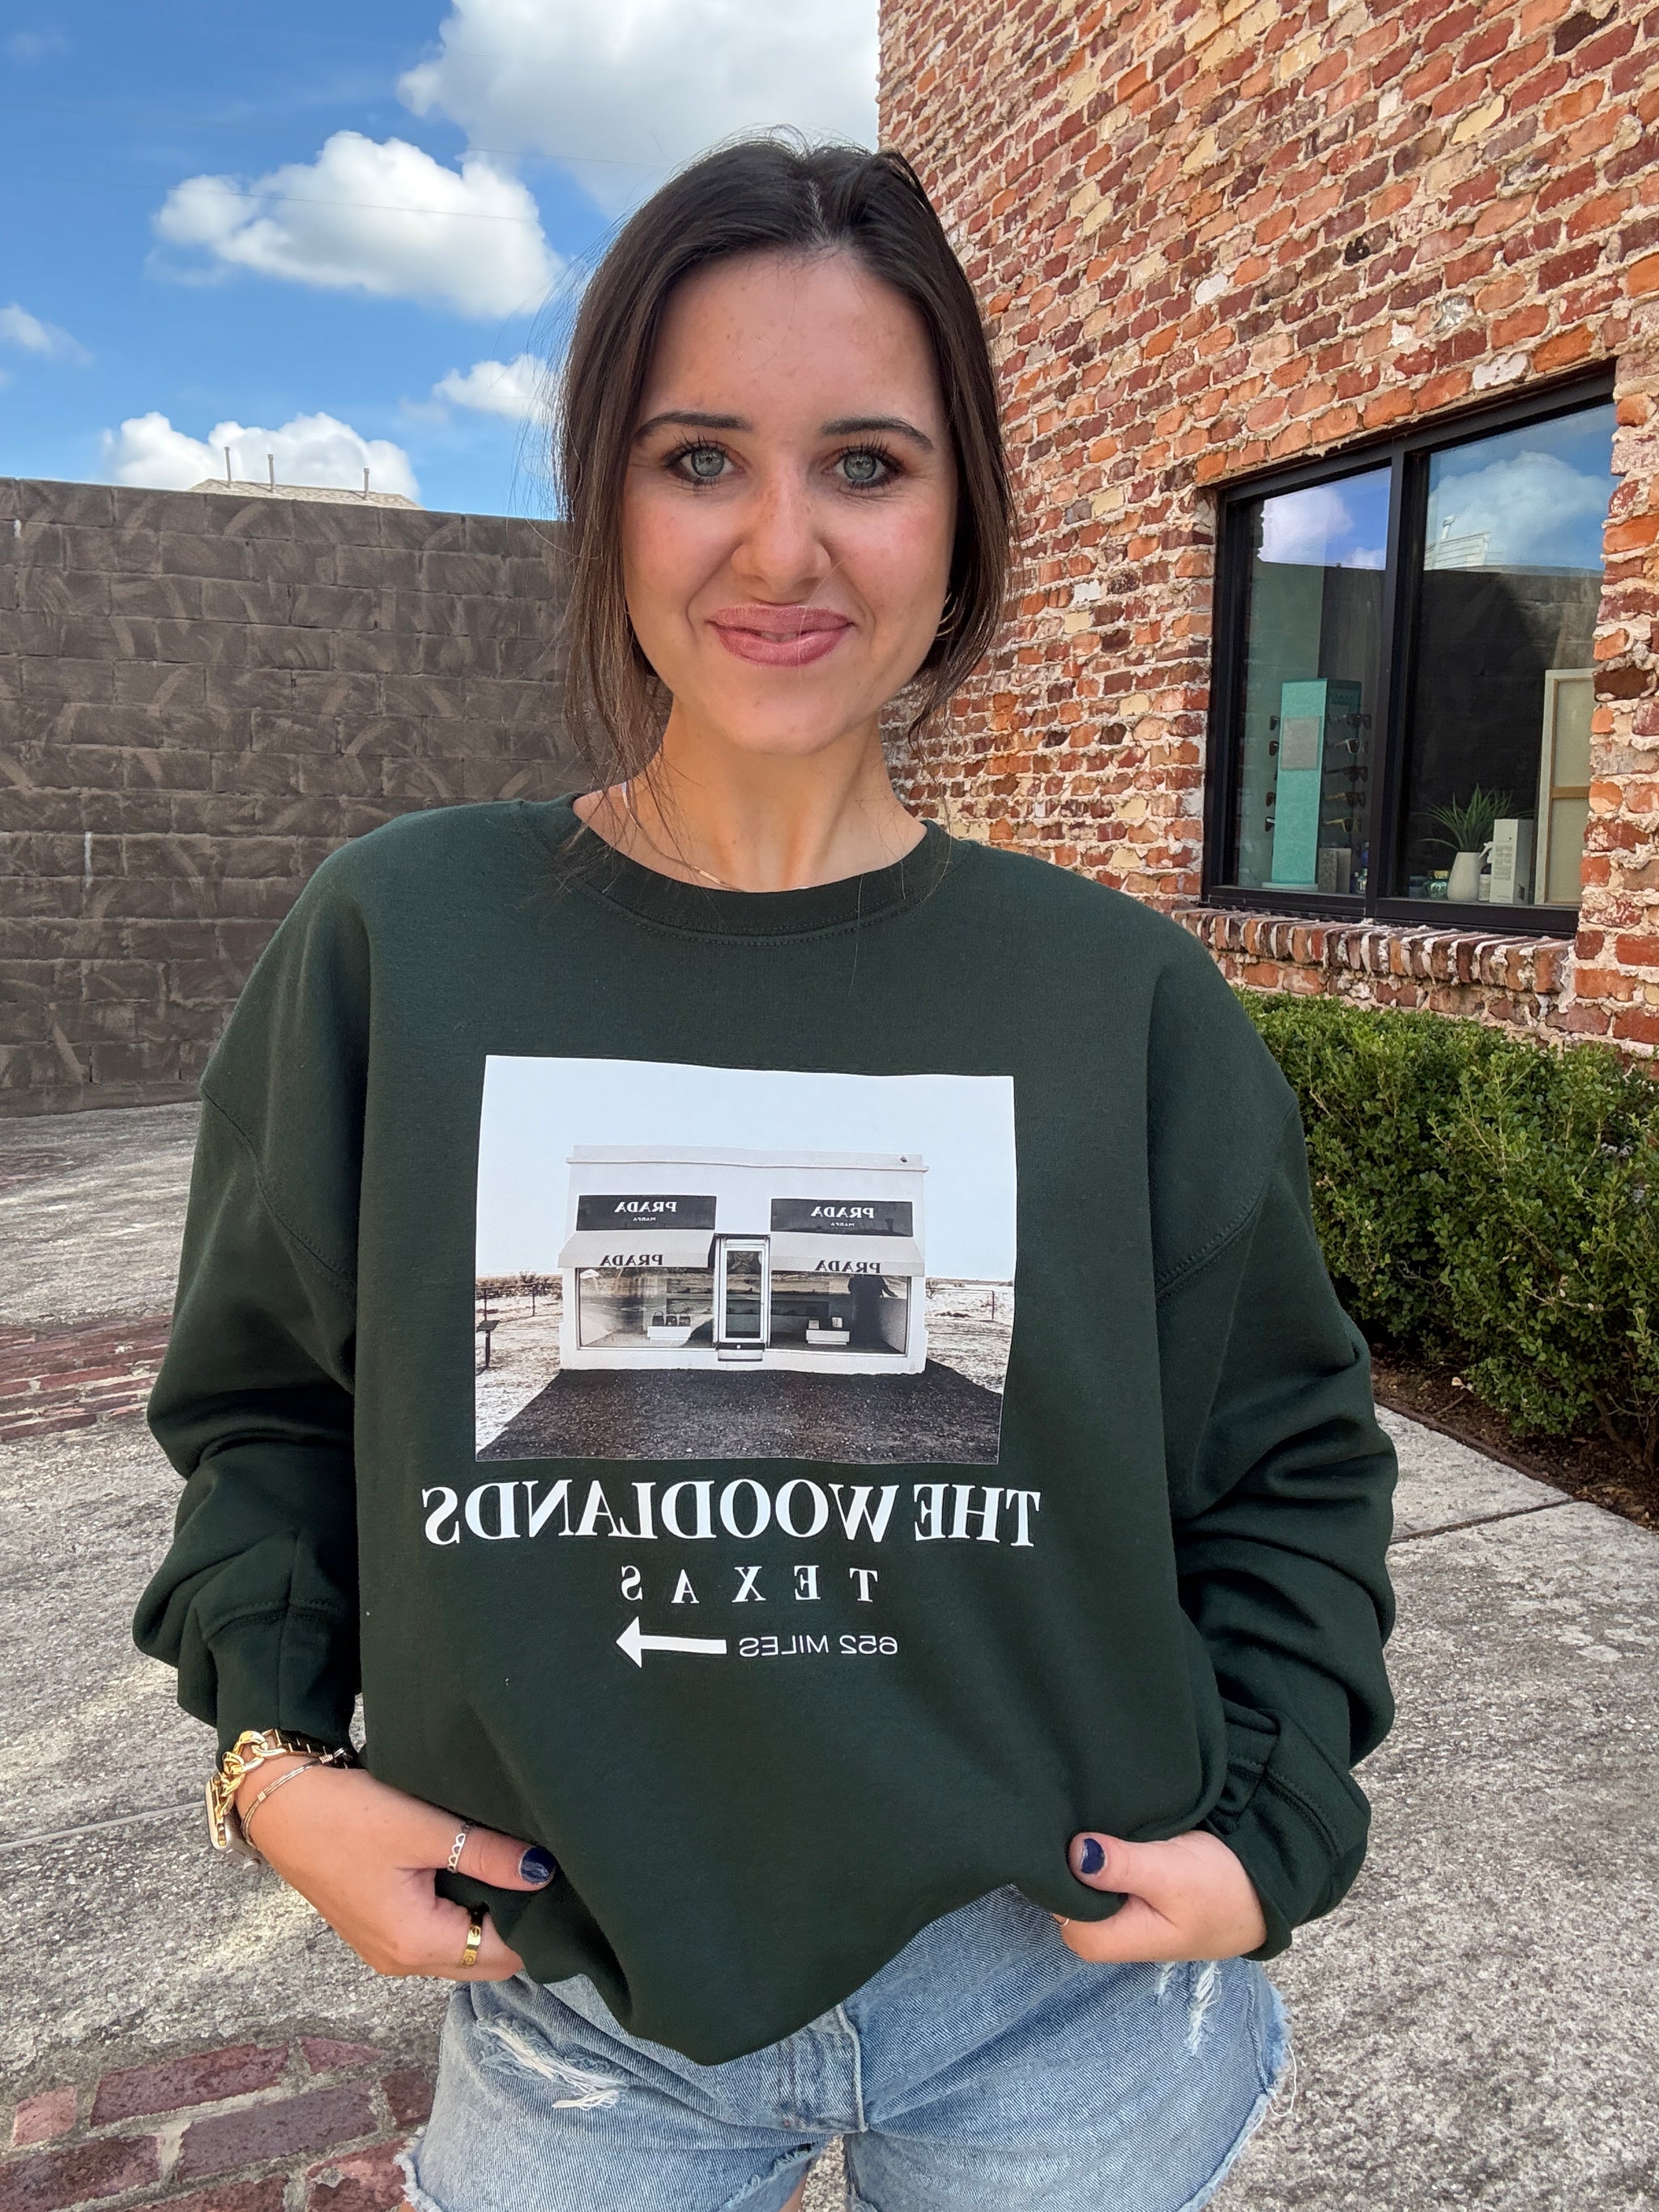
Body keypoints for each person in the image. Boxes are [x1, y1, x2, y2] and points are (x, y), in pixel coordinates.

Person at [135, 137, 1396, 2212]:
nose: (779, 545)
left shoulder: (1121, 999)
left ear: (960, 513)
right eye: (700, 457)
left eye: (867, 463)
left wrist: (1273, 1825)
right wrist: (272, 1766)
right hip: (573, 2008)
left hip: (1058, 1994)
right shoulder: (398, 941)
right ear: (607, 496)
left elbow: (1286, 1455)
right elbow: (264, 1411)